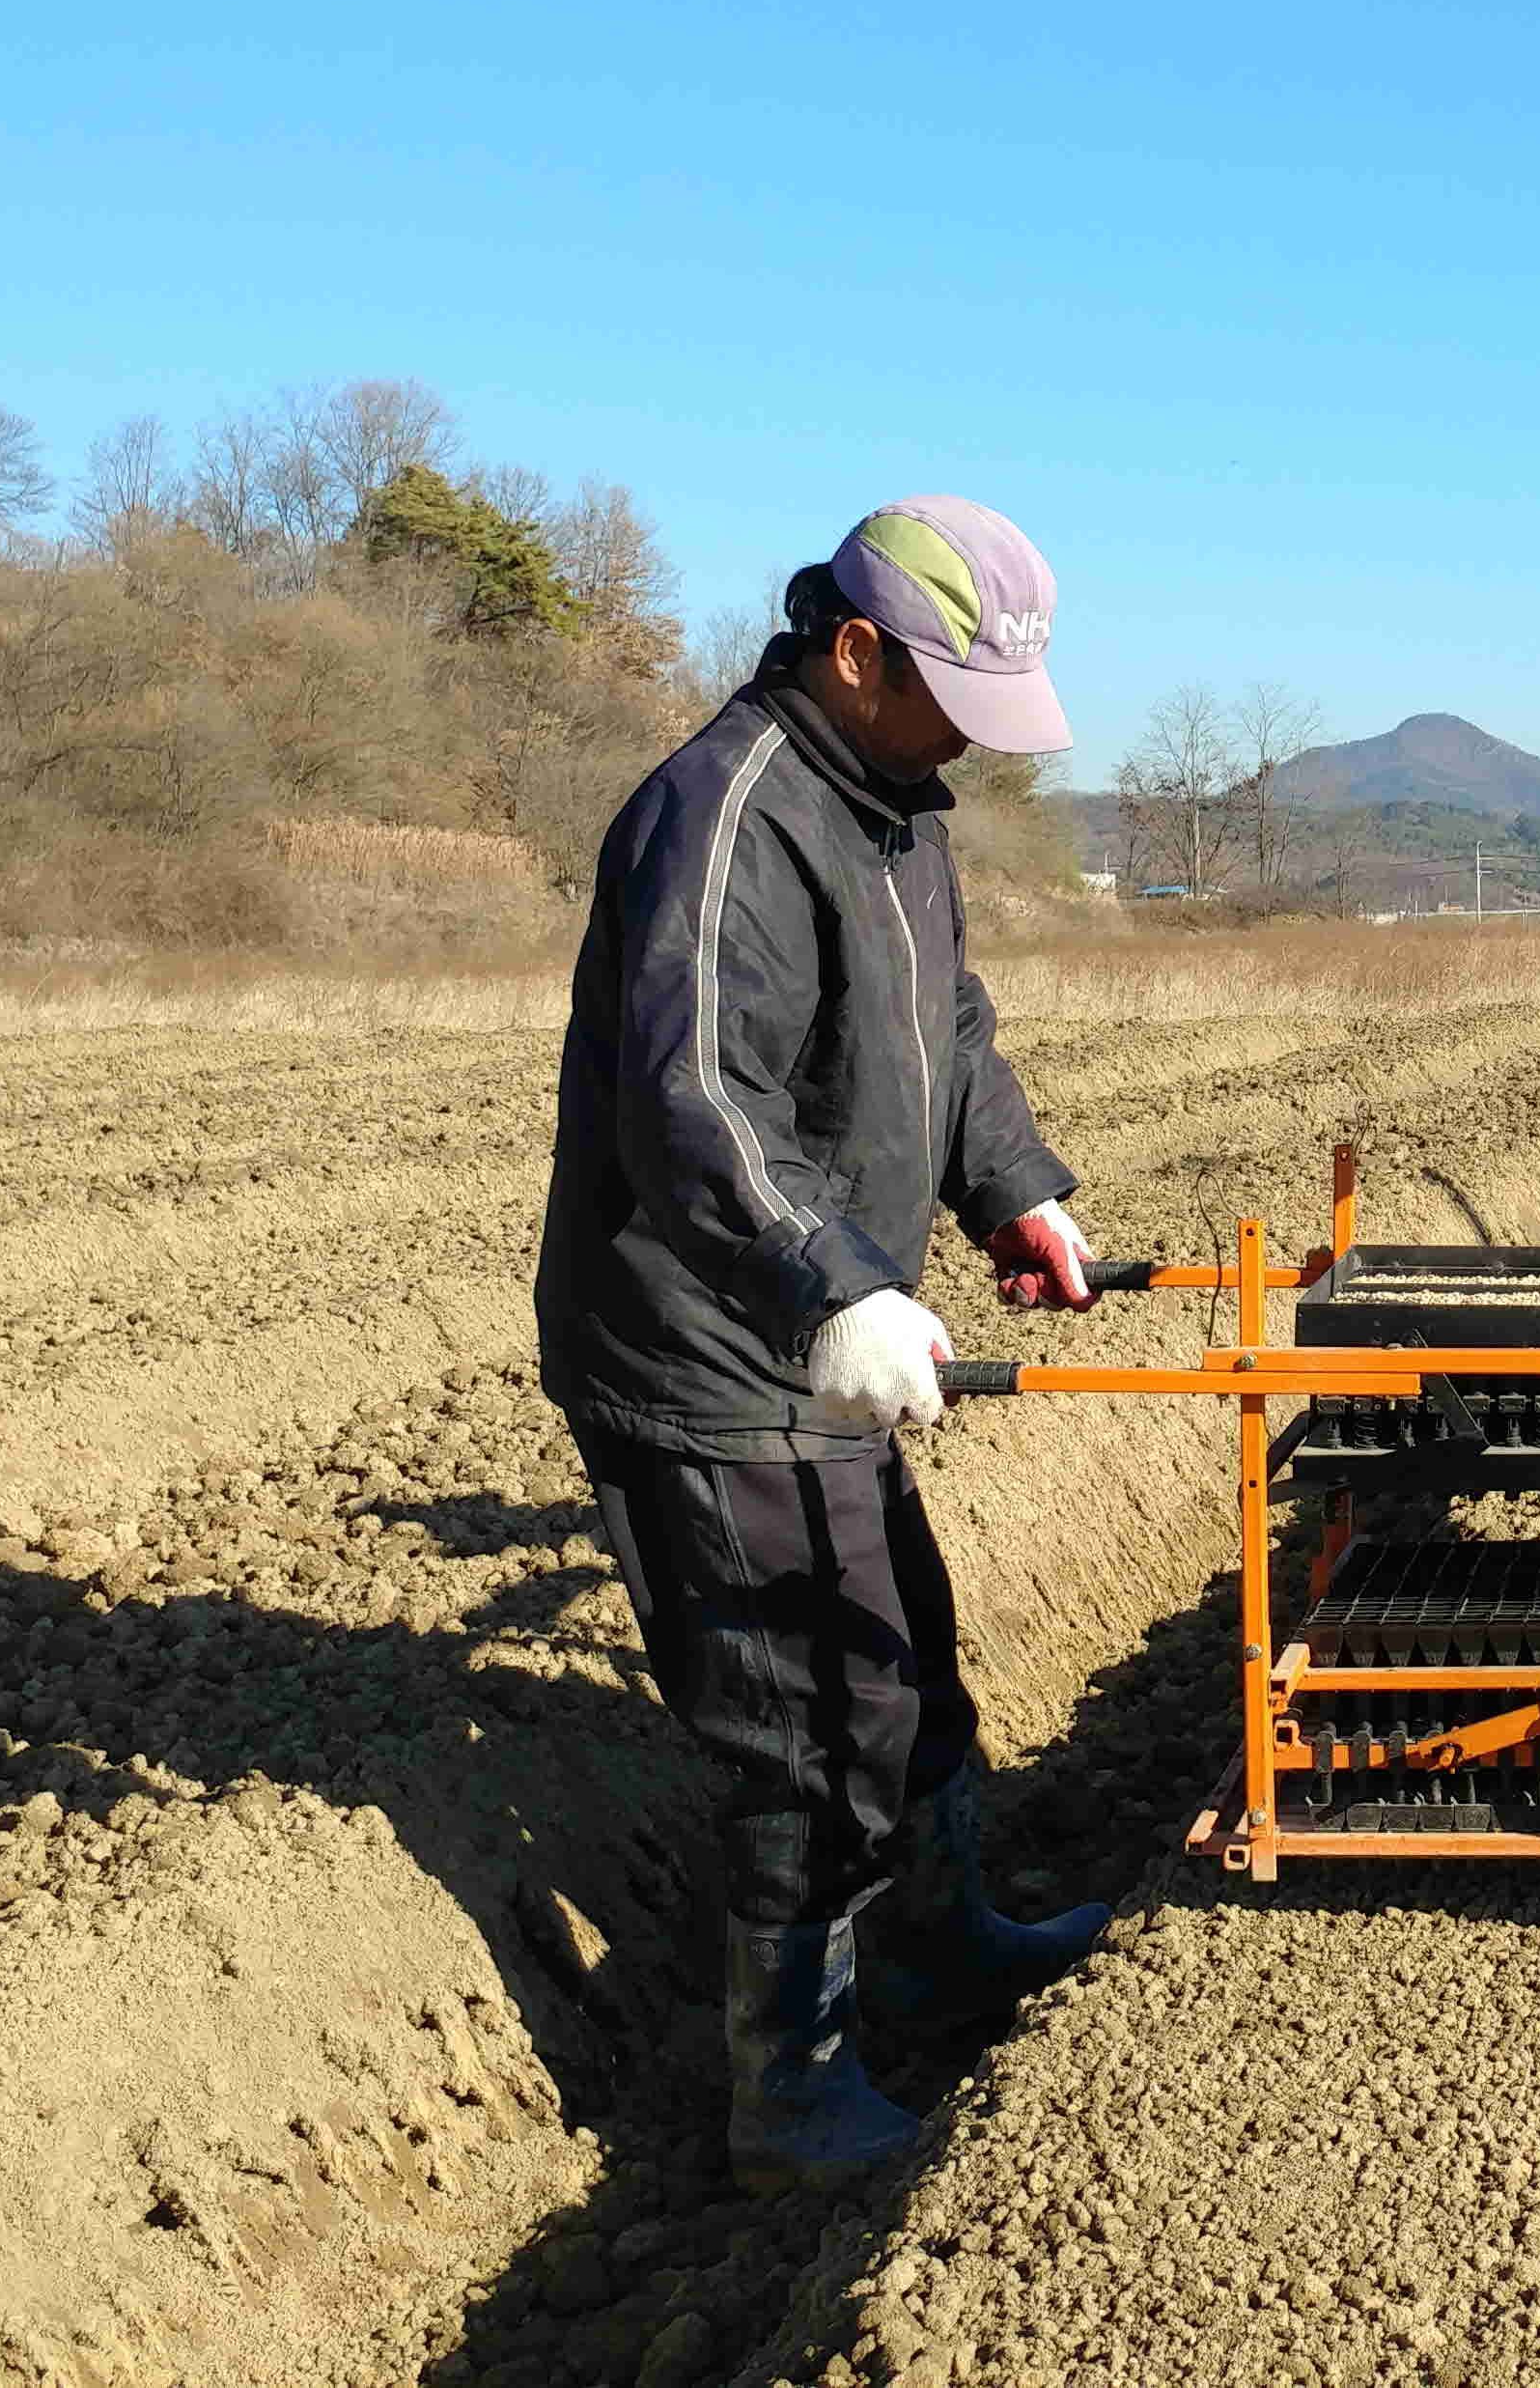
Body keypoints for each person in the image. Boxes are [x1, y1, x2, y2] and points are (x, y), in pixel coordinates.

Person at [534, 496, 1120, 2194]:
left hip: (817, 1316)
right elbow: (690, 1098)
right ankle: (788, 2088)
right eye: (947, 693)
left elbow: (949, 1030)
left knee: (907, 1652)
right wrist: (839, 1285)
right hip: (713, 1342)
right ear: (853, 651)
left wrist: (1017, 1191)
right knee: (807, 1712)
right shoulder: (721, 817)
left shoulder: (896, 809)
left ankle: (937, 1946)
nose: (968, 741)